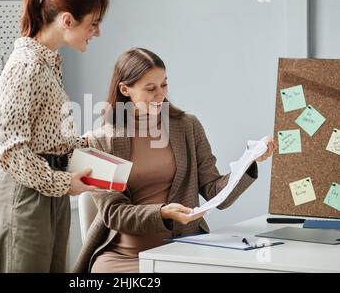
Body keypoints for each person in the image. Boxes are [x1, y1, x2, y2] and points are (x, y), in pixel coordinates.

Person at [73, 48, 276, 273]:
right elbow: (114, 214)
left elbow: (214, 191)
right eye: (150, 88)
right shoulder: (101, 141)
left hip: (184, 249)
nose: (160, 95)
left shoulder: (187, 126)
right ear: (125, 89)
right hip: (126, 256)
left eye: (164, 85)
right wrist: (162, 213)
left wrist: (249, 161)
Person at [0, 0, 109, 273]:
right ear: (67, 20)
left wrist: (88, 142)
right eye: (93, 23)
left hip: (49, 192)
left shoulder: (48, 63)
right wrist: (64, 183)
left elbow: (45, 138)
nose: (98, 32)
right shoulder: (27, 65)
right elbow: (8, 147)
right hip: (22, 196)